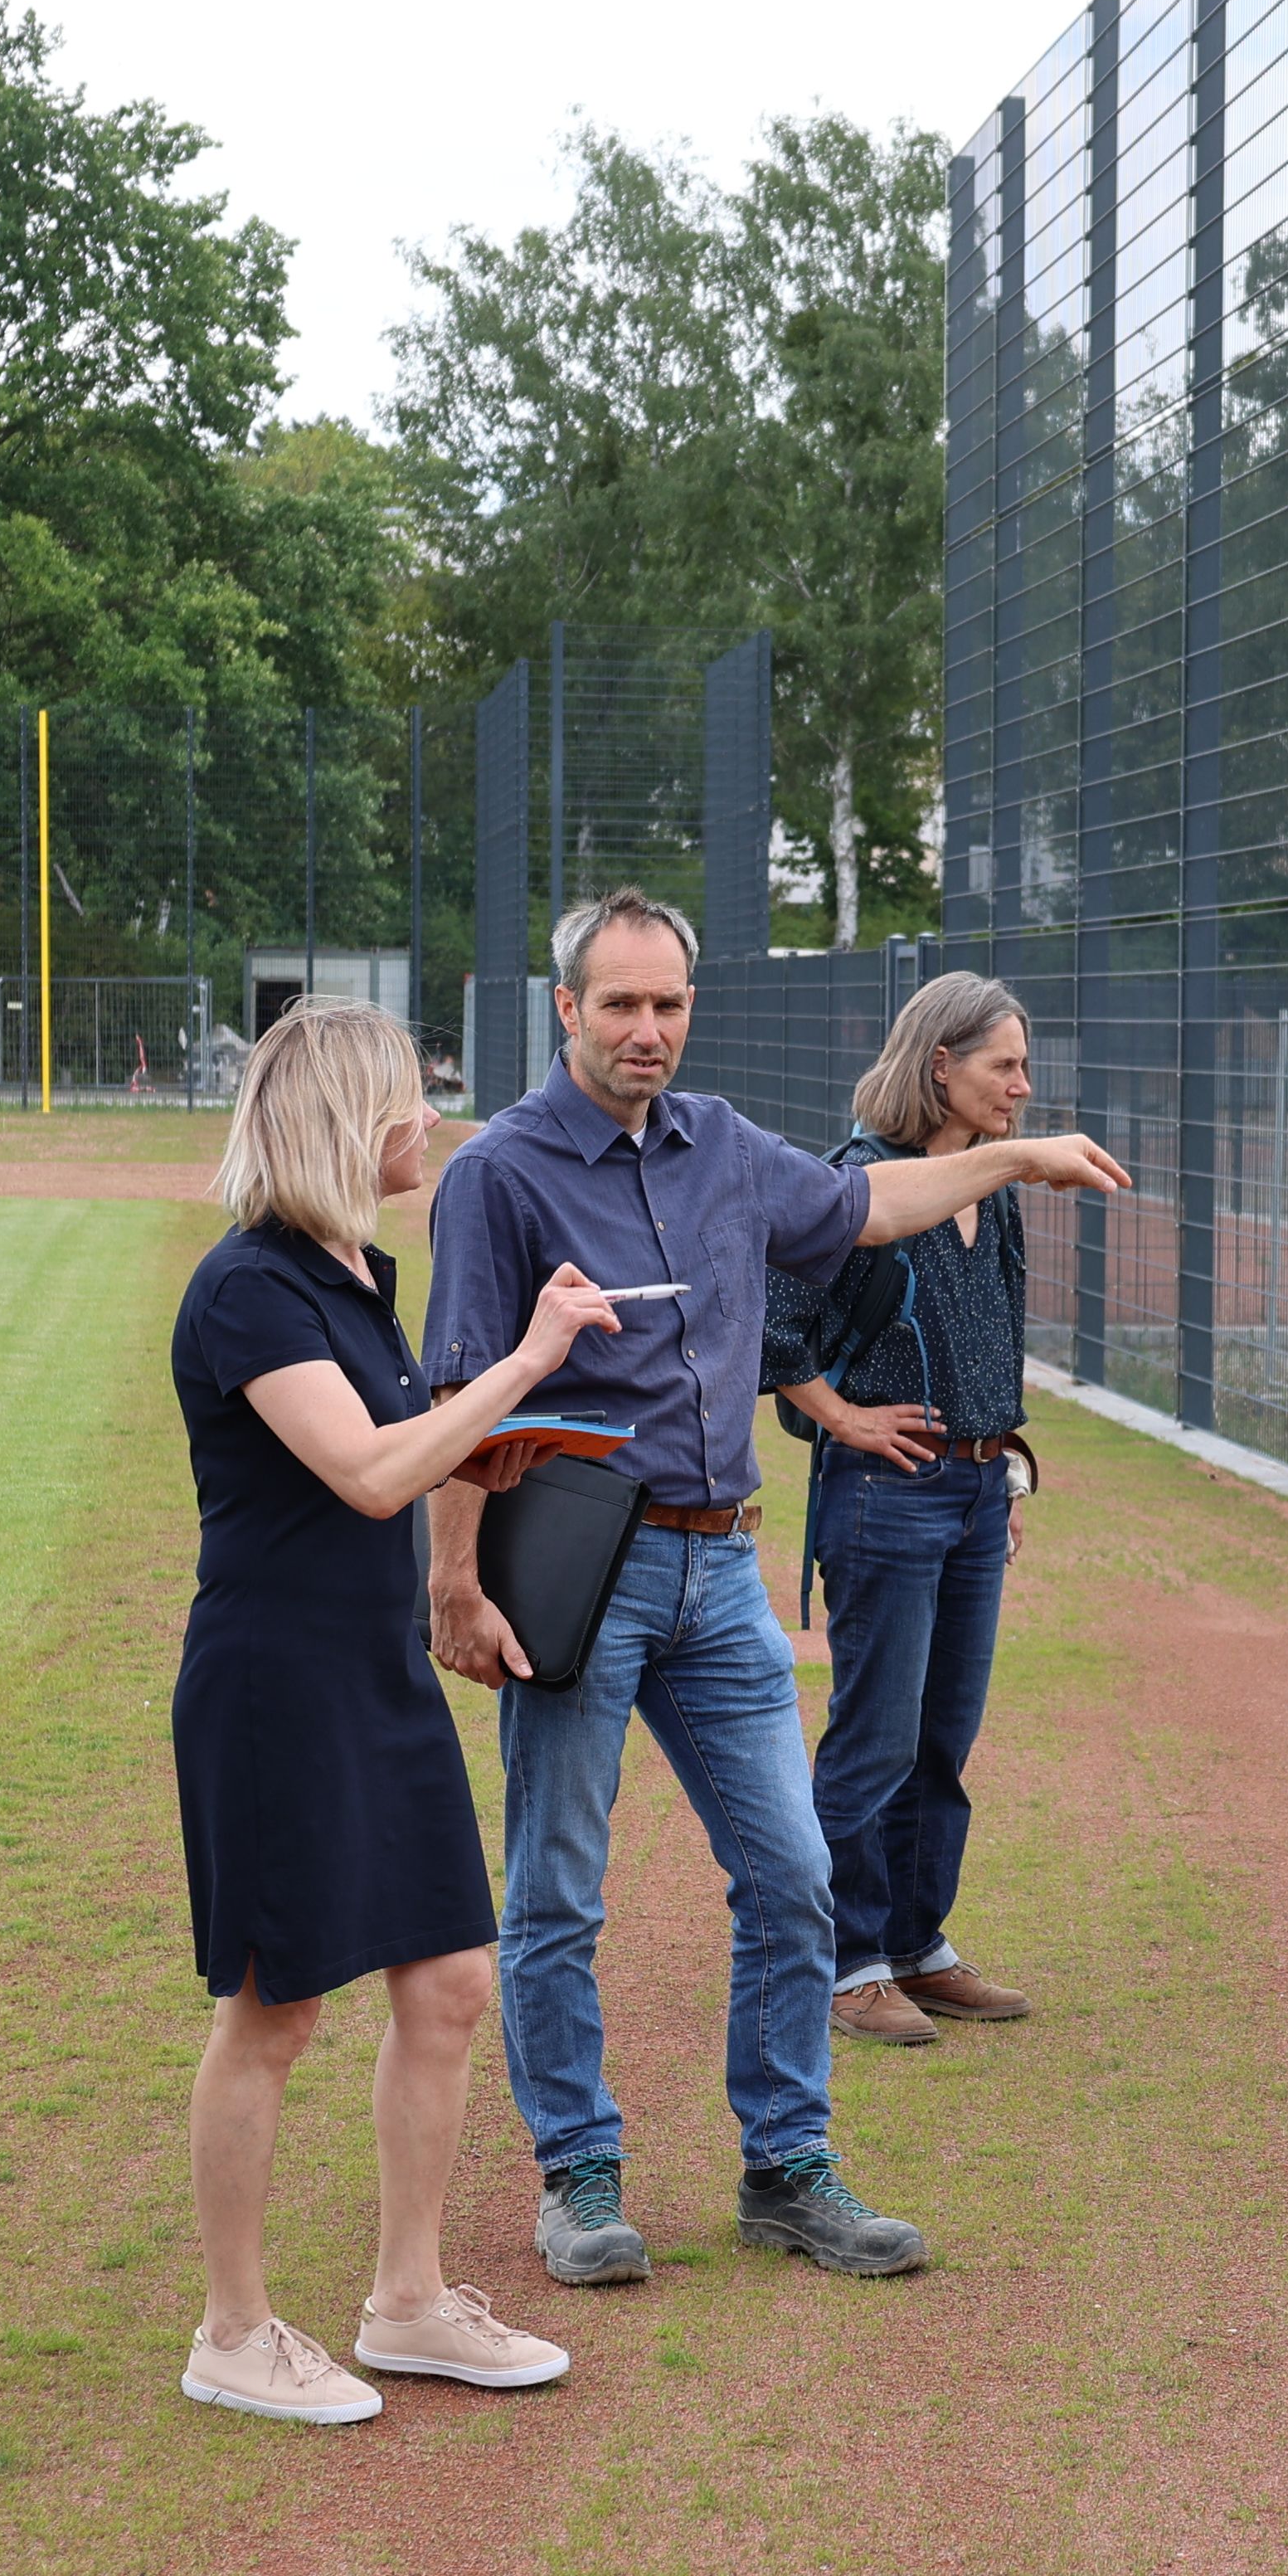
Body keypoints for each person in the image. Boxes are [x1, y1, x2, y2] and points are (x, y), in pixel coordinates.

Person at [418, 890, 1129, 2286]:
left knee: (796, 1874)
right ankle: (578, 2178)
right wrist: (453, 1581)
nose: (645, 1029)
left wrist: (1015, 1158)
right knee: (561, 1889)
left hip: (721, 1567)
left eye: (668, 1004)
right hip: (579, 1569)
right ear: (566, 1010)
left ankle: (787, 2172)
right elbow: (457, 1389)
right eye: (617, 1004)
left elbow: (866, 1206)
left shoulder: (727, 1147)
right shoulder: (499, 1173)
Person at [165, 1000, 620, 2423]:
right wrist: (526, 1368)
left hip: (377, 1673)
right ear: (350, 1117)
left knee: (449, 1985)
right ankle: (232, 2333)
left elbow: (411, 1461)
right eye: (414, 1095)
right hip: (274, 1688)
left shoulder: (357, 1271)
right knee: (277, 2007)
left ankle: (408, 2304)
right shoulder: (250, 1288)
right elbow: (368, 1470)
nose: (431, 1117)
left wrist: (496, 1468)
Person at [768, 971, 1045, 2050]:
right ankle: (846, 1964)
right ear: (942, 1066)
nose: (1022, 1087)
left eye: (1023, 1067)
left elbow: (996, 1336)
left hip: (976, 1494)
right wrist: (846, 1418)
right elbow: (774, 1330)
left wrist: (1001, 1462)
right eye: (1003, 1066)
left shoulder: (998, 1190)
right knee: (874, 1739)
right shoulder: (854, 1185)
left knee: (943, 1738)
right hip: (886, 1495)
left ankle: (920, 1948)